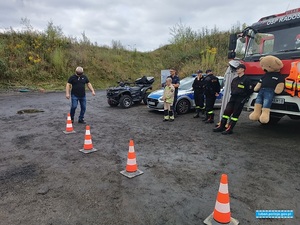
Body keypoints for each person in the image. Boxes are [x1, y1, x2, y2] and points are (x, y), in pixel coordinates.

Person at [213, 64, 252, 134]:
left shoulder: (247, 79)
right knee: (226, 112)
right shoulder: (235, 79)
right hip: (233, 97)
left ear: (243, 69)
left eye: (238, 68)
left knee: (235, 115)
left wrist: (245, 97)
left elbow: (249, 90)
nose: (237, 70)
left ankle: (229, 129)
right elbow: (232, 88)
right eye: (236, 69)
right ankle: (222, 126)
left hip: (240, 98)